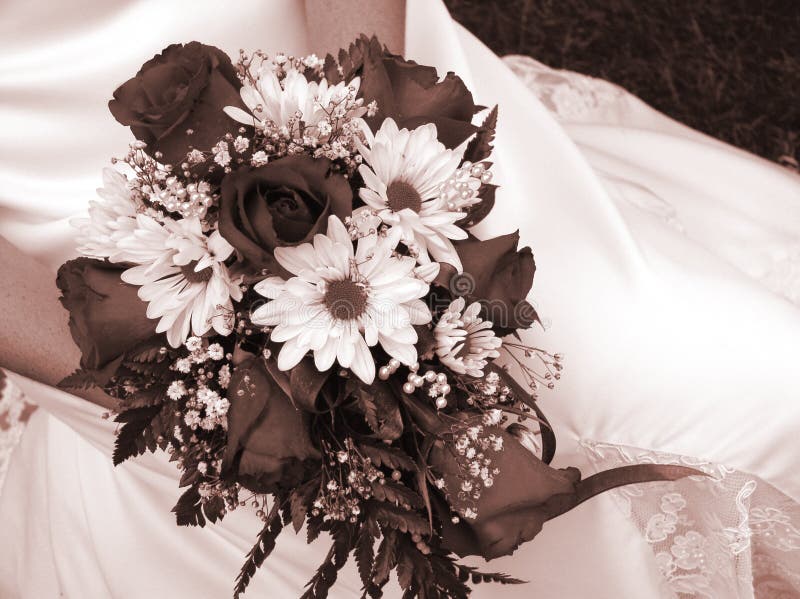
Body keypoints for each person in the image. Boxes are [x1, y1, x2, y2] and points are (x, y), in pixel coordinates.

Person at [1, 0, 798, 596]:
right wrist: (187, 385)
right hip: (97, 272)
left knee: (751, 393)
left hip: (354, 103)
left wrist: (363, 143)